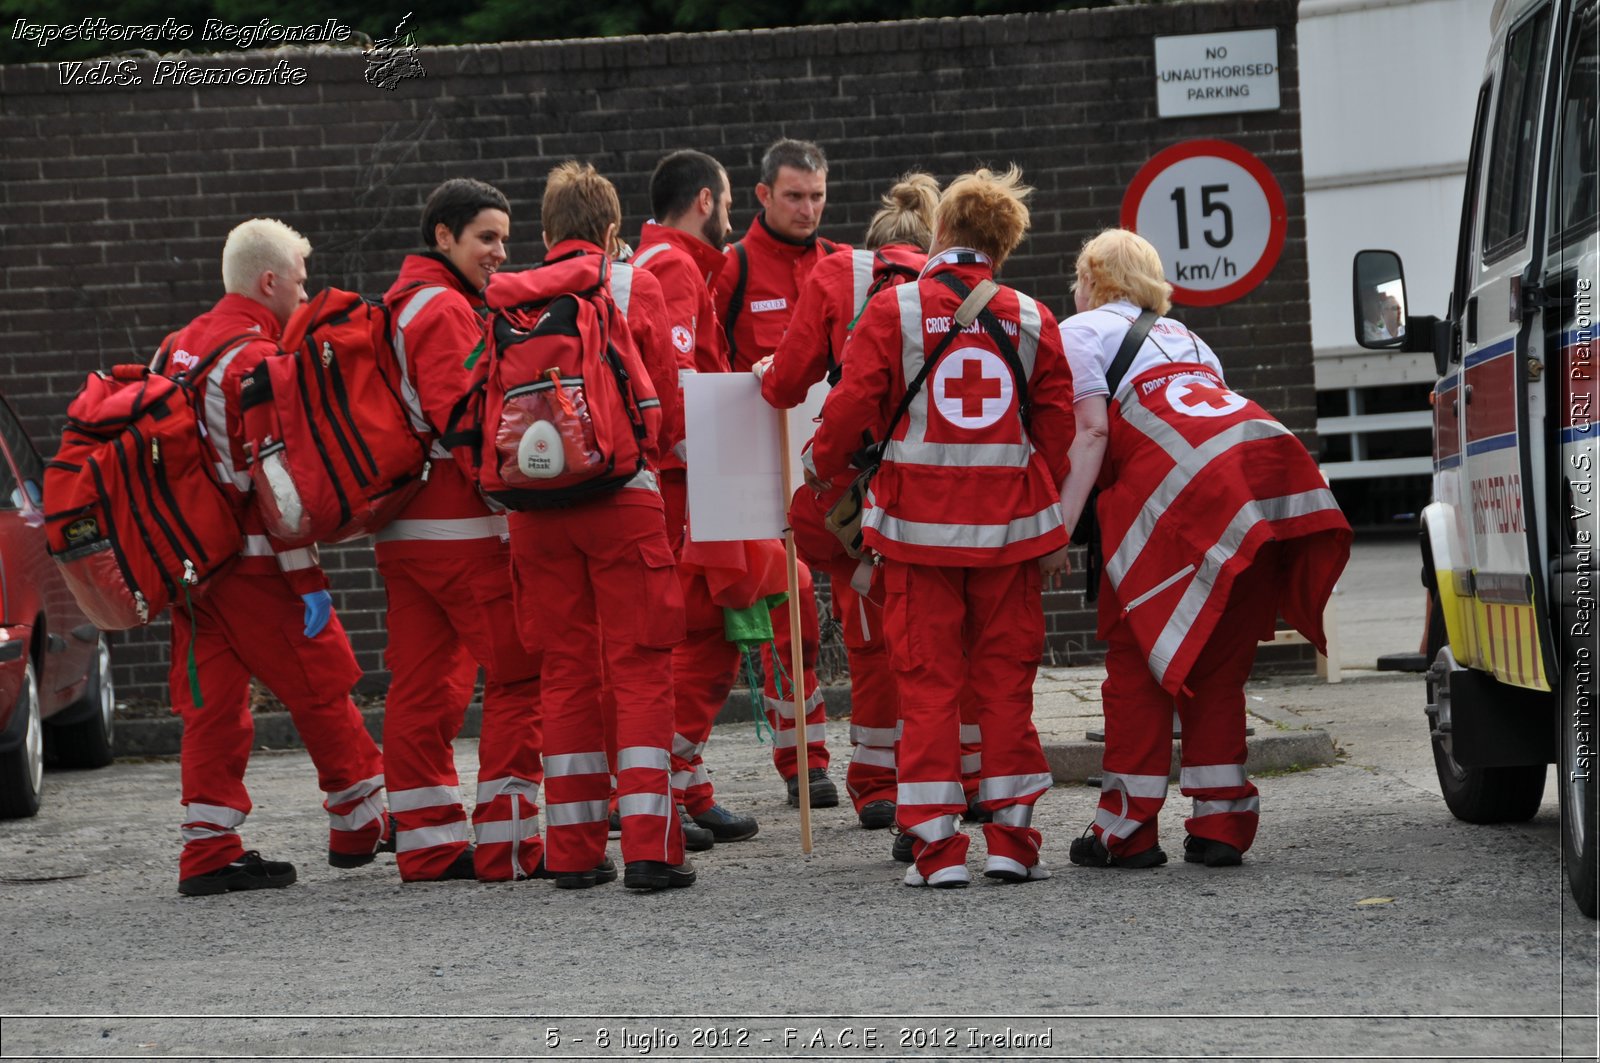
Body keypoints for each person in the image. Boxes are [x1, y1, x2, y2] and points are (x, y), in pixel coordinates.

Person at [808, 167, 1074, 888]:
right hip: (1009, 538)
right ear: (1005, 244)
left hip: (916, 536)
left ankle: (935, 850)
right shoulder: (1032, 318)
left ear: (942, 232)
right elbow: (1057, 434)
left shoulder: (893, 310)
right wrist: (1044, 523)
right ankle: (1014, 843)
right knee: (1005, 687)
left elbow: (847, 411)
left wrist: (821, 469)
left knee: (926, 686)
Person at [1057, 228, 1351, 870]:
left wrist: (1059, 528)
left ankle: (1125, 832)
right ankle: (1221, 825)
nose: (1073, 291)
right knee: (1217, 671)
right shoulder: (1192, 339)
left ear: (1095, 279)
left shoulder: (1078, 334)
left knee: (1138, 674)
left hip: (1173, 513)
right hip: (1254, 501)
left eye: (1077, 278)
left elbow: (1090, 436)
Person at [161, 218, 388, 896]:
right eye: (300, 278)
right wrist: (309, 576)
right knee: (321, 680)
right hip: (253, 562)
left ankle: (208, 848)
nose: (304, 289)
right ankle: (361, 821)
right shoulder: (254, 358)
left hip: (187, 566)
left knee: (213, 704)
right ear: (269, 281)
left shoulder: (176, 348)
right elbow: (272, 486)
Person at [500, 161, 693, 891]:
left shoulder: (509, 301)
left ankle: (574, 851)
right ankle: (650, 845)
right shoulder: (629, 284)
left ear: (544, 232)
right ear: (612, 232)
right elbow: (669, 405)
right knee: (641, 666)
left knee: (566, 671)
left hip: (535, 513)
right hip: (621, 499)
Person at [755, 172, 941, 832]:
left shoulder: (838, 277)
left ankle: (876, 780)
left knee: (870, 638)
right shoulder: (965, 291)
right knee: (945, 639)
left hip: (857, 508)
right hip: (947, 499)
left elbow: (785, 384)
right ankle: (957, 776)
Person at [377, 179, 545, 883]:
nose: (500, 252)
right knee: (520, 672)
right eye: (486, 237)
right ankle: (509, 845)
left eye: (504, 237)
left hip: (404, 531)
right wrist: (524, 497)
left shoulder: (397, 304)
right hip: (463, 532)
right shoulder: (445, 311)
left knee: (422, 686)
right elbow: (467, 423)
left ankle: (426, 842)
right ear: (442, 236)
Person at [630, 150, 761, 847]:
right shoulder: (677, 266)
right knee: (710, 637)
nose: (735, 218)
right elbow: (682, 380)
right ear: (706, 200)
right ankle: (670, 783)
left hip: (690, 479)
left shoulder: (656, 261)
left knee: (711, 635)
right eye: (732, 202)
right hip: (692, 484)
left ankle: (684, 783)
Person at [715, 138, 845, 808]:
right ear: (762, 195)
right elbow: (706, 363)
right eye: (794, 195)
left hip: (829, 462)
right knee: (792, 607)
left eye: (817, 195)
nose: (807, 208)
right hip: (755, 467)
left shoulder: (839, 265)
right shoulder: (732, 267)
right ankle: (804, 761)